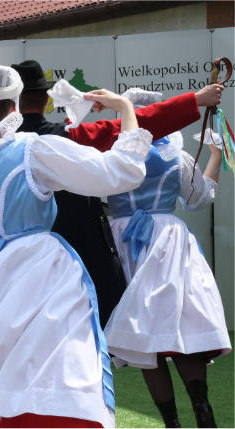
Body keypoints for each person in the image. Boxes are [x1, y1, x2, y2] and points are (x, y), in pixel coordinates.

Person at [0, 65, 150, 428]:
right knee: (55, 378)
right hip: (44, 277)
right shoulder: (33, 150)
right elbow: (120, 173)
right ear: (13, 106)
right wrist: (126, 110)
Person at [13, 60, 226, 327]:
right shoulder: (66, 139)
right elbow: (137, 131)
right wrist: (195, 99)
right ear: (46, 99)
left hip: (13, 259)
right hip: (79, 249)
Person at [102, 88, 229, 428]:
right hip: (169, 239)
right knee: (181, 325)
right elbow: (199, 197)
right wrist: (216, 156)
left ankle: (171, 422)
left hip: (126, 241)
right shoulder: (177, 155)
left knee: (146, 337)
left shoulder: (113, 153)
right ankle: (201, 405)